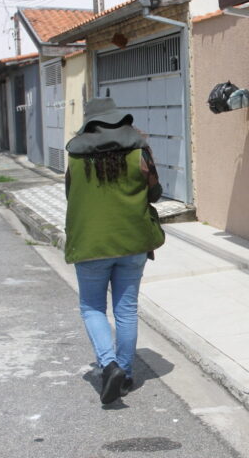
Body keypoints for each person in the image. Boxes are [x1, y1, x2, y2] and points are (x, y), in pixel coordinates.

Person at [65, 97, 165, 405]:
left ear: (90, 124)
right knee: (126, 310)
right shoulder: (139, 151)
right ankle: (125, 373)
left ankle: (108, 366)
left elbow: (71, 194)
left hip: (91, 242)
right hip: (132, 240)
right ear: (121, 120)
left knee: (92, 308)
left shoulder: (76, 154)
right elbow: (156, 193)